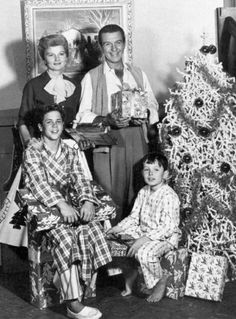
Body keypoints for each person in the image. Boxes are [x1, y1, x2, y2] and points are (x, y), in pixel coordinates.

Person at [23, 104, 112, 319]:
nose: (54, 126)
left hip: (71, 206)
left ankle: (62, 280)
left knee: (90, 229)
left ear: (63, 125)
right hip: (46, 210)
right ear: (40, 126)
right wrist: (61, 204)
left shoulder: (70, 151)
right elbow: (39, 184)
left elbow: (81, 179)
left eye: (58, 121)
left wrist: (87, 201)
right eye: (49, 122)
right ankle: (73, 305)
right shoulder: (33, 151)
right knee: (64, 238)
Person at [73, 24, 159, 221]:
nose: (113, 49)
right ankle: (110, 244)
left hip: (138, 138)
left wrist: (145, 113)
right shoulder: (92, 77)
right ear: (101, 48)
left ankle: (136, 241)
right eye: (107, 44)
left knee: (140, 190)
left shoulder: (137, 73)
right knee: (110, 193)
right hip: (108, 142)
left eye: (118, 43)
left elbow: (153, 104)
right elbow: (82, 115)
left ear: (124, 44)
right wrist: (107, 119)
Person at [106, 152, 181, 303]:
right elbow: (134, 217)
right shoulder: (143, 192)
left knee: (144, 253)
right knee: (112, 242)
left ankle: (160, 280)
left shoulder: (168, 195)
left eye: (156, 170)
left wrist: (143, 240)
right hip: (143, 231)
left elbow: (168, 227)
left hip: (164, 237)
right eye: (147, 170)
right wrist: (118, 228)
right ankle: (131, 271)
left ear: (165, 174)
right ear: (142, 172)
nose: (151, 174)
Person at [18, 33, 90, 150]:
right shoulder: (33, 85)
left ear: (67, 56)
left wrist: (79, 138)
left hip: (69, 147)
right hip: (40, 146)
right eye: (51, 55)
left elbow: (74, 122)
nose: (57, 59)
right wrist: (29, 141)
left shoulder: (75, 86)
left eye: (61, 54)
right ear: (44, 58)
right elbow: (22, 121)